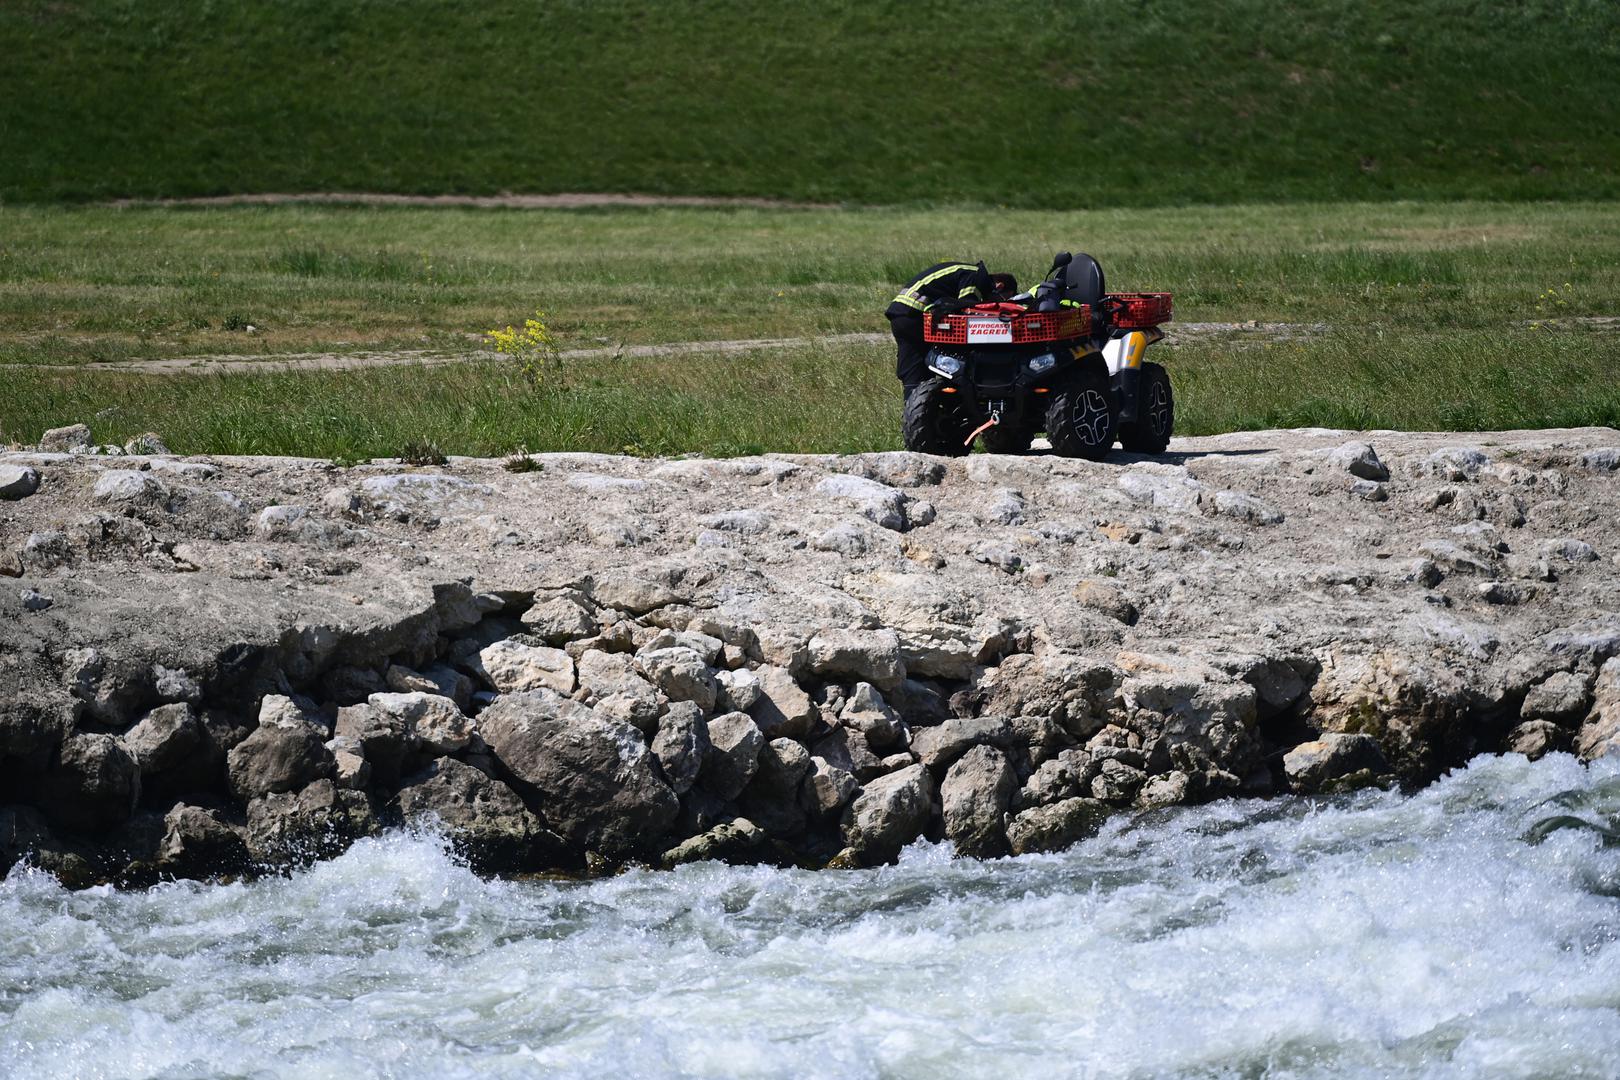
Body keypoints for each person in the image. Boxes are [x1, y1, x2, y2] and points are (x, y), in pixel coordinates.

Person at [885, 261, 1019, 392]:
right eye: (1004, 299)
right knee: (945, 360)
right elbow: (968, 305)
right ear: (999, 286)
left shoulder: (965, 271)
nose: (999, 303)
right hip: (917, 313)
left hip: (900, 313)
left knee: (914, 369)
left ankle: (913, 408)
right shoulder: (974, 275)